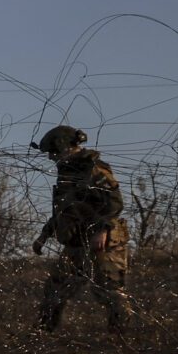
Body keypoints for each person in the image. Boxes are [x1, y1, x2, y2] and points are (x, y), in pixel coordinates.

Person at [30, 125, 131, 332]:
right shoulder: (68, 172)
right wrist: (45, 234)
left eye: (53, 152)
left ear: (66, 147)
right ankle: (43, 334)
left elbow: (114, 203)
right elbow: (66, 209)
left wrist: (102, 230)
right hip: (77, 241)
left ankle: (122, 338)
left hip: (102, 243)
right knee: (55, 288)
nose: (51, 157)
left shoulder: (93, 169)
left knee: (110, 291)